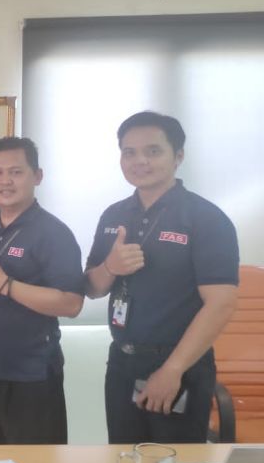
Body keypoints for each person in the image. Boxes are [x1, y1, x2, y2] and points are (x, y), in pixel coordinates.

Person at [86, 111, 239, 444]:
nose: (139, 161)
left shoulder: (205, 218)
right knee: (123, 459)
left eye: (153, 151)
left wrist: (172, 370)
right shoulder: (114, 215)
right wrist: (110, 266)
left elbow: (221, 303)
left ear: (178, 156)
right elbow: (92, 289)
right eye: (129, 152)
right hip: (122, 361)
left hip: (179, 365)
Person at [0, 136, 84, 444]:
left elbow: (72, 304)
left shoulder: (54, 233)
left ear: (37, 176)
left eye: (16, 172)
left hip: (32, 376)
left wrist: (7, 286)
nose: (5, 181)